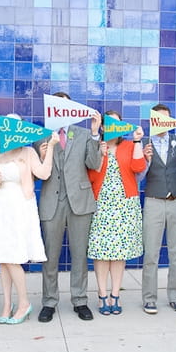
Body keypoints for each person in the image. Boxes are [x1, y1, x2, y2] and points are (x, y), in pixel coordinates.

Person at [0, 114, 59, 324]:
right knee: (3, 256)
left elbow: (44, 173)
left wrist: (50, 147)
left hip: (20, 207)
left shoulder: (27, 152)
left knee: (13, 257)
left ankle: (24, 302)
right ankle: (7, 303)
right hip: (0, 207)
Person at [34, 92, 102, 323]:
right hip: (51, 202)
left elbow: (94, 164)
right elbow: (35, 173)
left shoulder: (83, 134)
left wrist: (95, 133)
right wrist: (43, 155)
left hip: (80, 202)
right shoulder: (40, 137)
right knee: (50, 257)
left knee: (79, 255)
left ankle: (80, 300)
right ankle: (49, 302)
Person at [87, 110, 146, 315]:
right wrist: (100, 155)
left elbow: (139, 167)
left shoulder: (129, 146)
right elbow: (91, 175)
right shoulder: (95, 146)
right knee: (101, 252)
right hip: (101, 205)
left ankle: (115, 295)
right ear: (103, 127)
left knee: (119, 254)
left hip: (124, 205)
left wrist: (138, 141)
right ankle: (102, 294)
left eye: (117, 123)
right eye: (108, 123)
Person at [140, 104, 176, 315]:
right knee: (151, 253)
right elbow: (139, 178)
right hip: (153, 202)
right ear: (153, 121)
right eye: (158, 118)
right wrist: (145, 160)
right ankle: (149, 298)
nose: (162, 122)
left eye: (166, 118)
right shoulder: (146, 144)